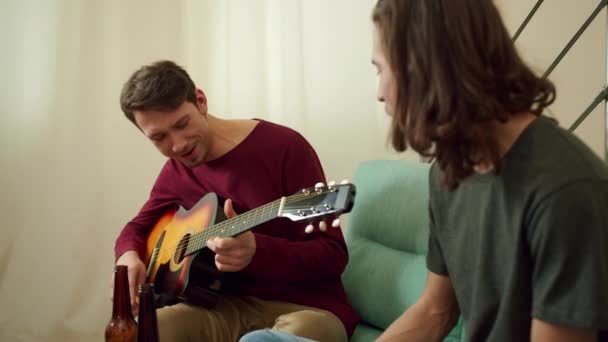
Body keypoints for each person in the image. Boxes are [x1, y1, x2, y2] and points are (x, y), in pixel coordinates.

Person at [370, 0, 608, 341]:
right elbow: (436, 310)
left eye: (381, 69)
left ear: (424, 65)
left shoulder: (565, 190)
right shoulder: (448, 174)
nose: (379, 93)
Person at [112, 60, 358, 341]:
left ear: (201, 102)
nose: (177, 145)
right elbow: (136, 229)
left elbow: (333, 256)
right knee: (142, 331)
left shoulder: (284, 148)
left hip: (306, 309)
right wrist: (128, 255)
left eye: (182, 124)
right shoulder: (177, 170)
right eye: (159, 138)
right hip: (221, 309)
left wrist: (258, 251)